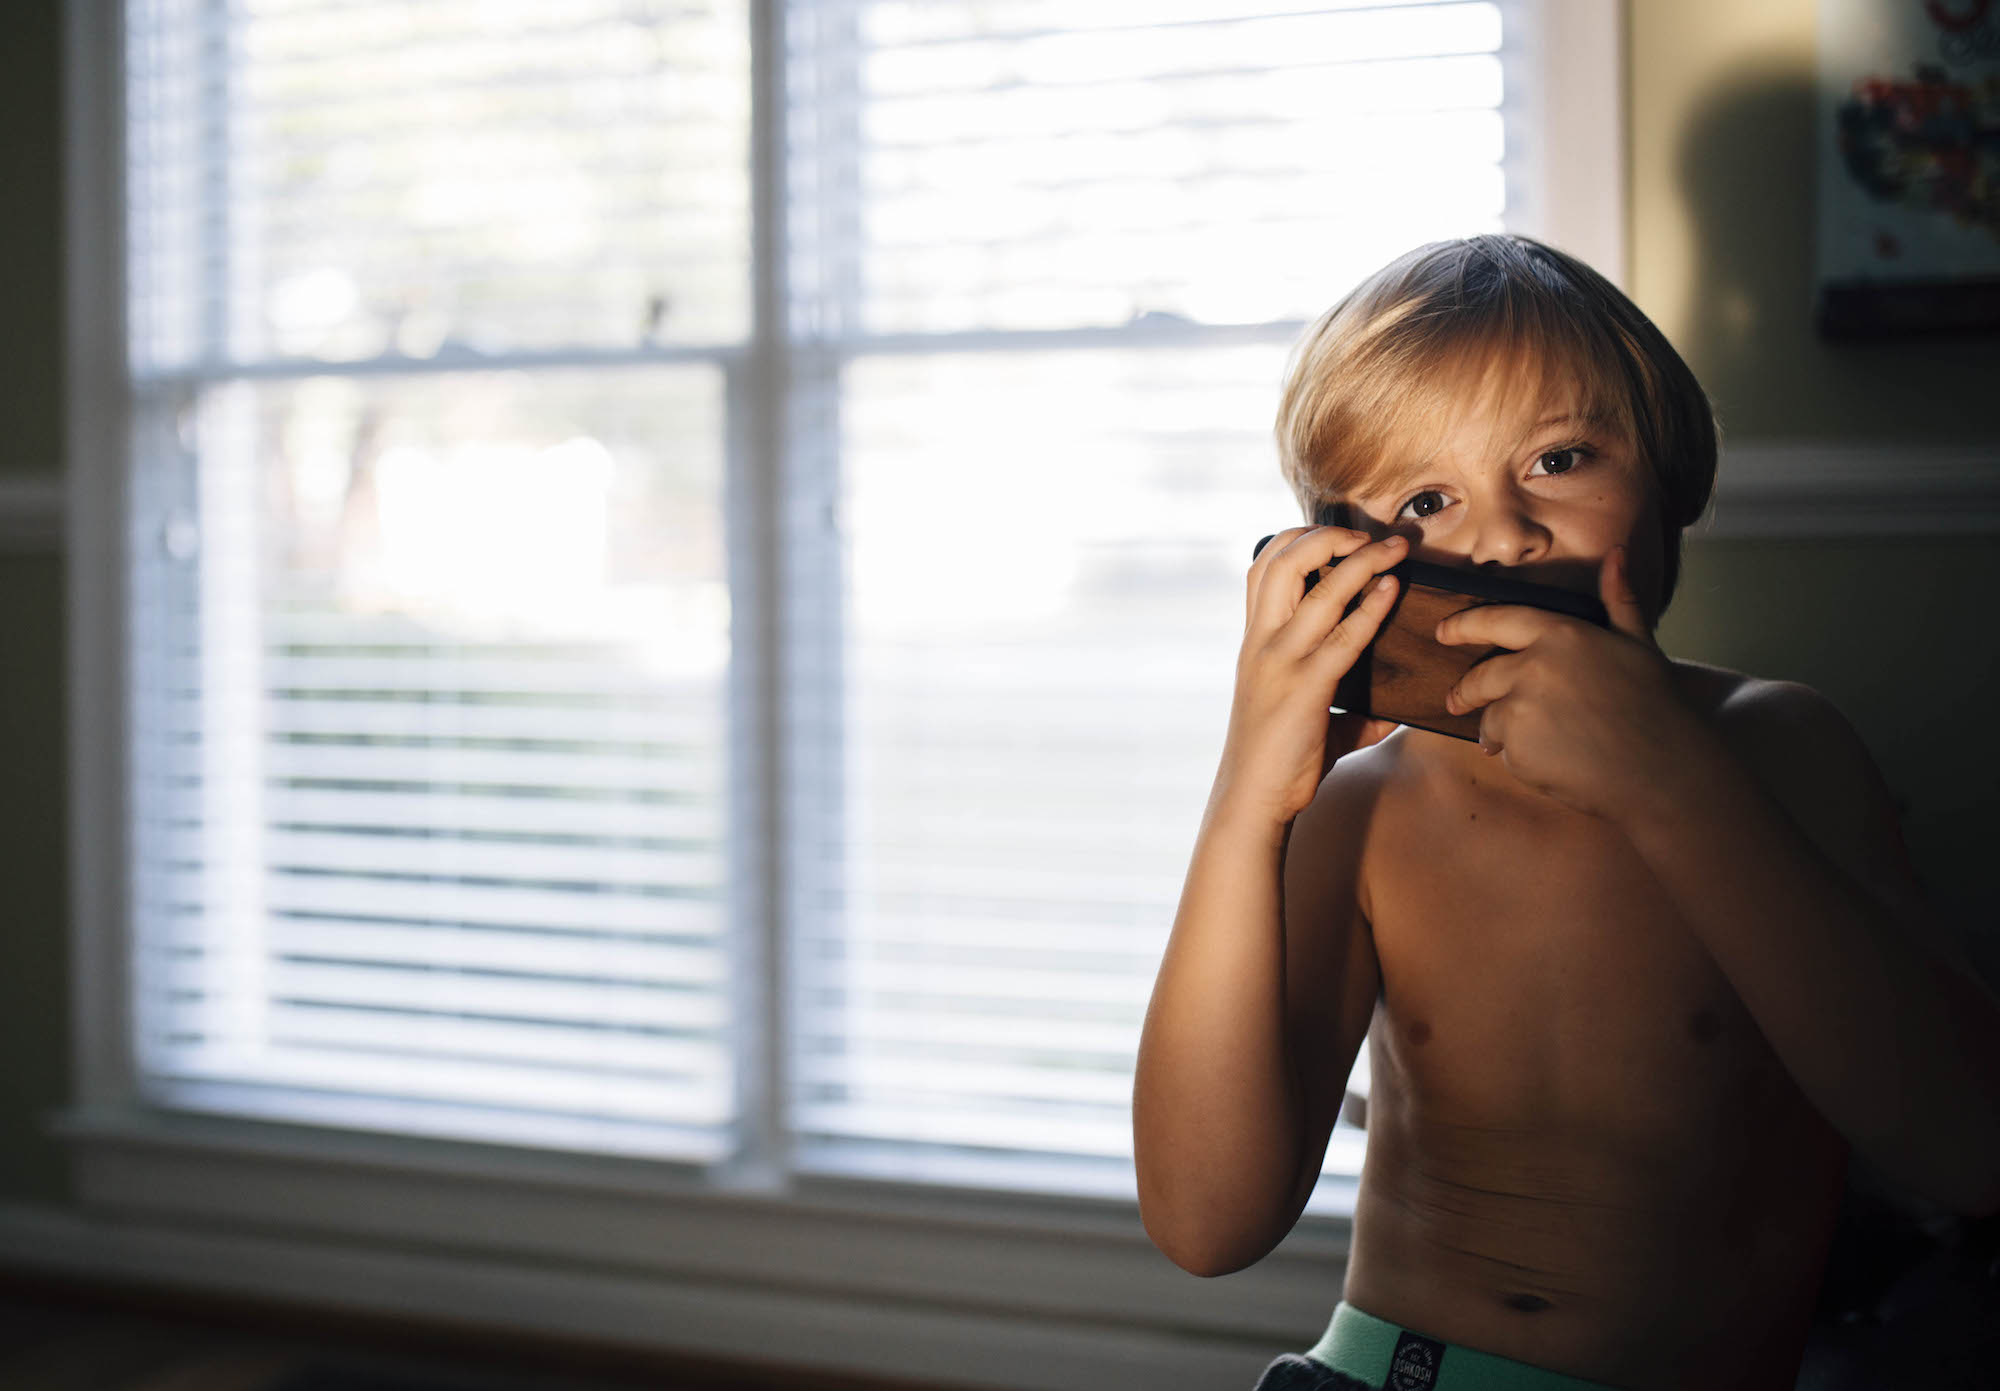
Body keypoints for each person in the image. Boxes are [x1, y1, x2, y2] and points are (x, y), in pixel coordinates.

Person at [1130, 233, 2000, 1391]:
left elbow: (1962, 1149)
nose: (1501, 534)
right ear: (1349, 559)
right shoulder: (1364, 811)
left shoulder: (1777, 747)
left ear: (1667, 477)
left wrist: (1668, 781)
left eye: (1559, 457)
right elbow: (1205, 1223)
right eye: (1426, 498)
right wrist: (1248, 800)